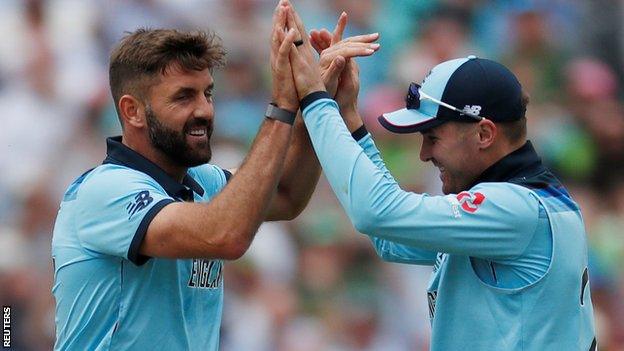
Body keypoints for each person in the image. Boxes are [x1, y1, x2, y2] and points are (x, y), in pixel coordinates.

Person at [284, 9, 597, 351]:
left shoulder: (516, 208)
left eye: (432, 137)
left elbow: (376, 214)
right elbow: (389, 237)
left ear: (484, 134)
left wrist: (315, 100)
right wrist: (347, 114)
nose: (423, 154)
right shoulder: (527, 201)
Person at [50, 2, 323, 350]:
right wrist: (282, 105)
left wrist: (316, 100)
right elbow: (226, 235)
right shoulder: (104, 190)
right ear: (132, 111)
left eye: (207, 93)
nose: (204, 110)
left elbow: (285, 193)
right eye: (183, 97)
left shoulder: (202, 180)